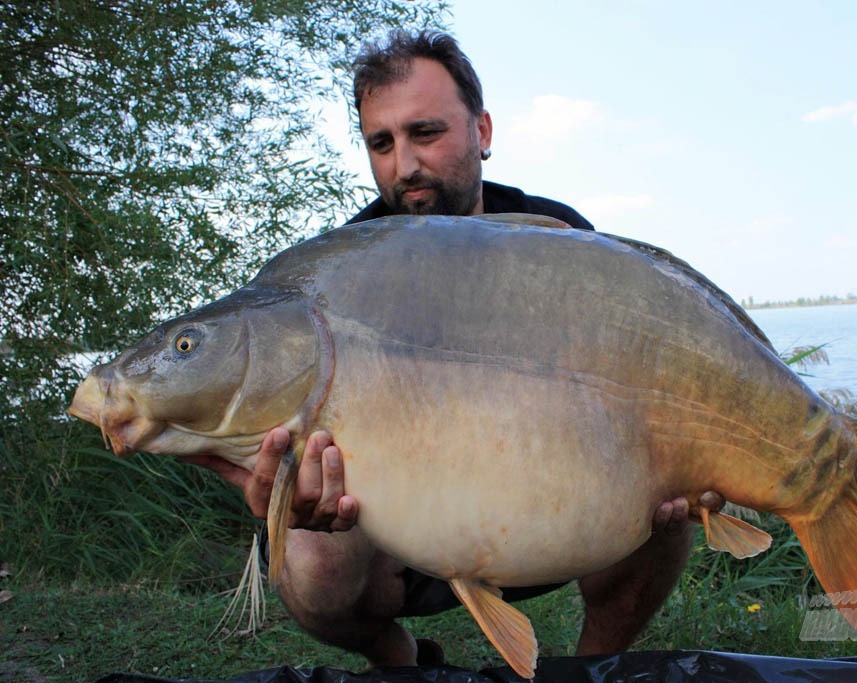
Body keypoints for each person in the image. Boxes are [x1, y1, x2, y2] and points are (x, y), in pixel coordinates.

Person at [187, 29, 695, 669]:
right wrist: (293, 490)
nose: (404, 165)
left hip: (556, 515)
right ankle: (400, 664)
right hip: (404, 534)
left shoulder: (561, 244)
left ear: (482, 130)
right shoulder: (346, 271)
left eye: (425, 133)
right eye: (382, 143)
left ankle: (586, 670)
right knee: (307, 559)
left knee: (678, 496)